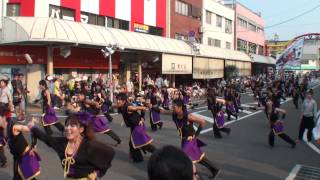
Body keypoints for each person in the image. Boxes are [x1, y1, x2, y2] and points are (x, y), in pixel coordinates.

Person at [29, 112, 115, 179]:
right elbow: (46, 138)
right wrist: (32, 127)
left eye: (72, 125)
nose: (68, 128)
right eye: (67, 125)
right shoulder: (61, 143)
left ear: (81, 129)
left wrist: (97, 173)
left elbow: (109, 154)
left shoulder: (89, 145)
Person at [171, 99, 220, 179]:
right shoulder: (174, 114)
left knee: (184, 157)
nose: (172, 108)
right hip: (184, 140)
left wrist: (196, 135)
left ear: (180, 107)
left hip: (190, 140)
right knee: (198, 157)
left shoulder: (188, 116)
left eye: (174, 107)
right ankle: (214, 170)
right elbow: (163, 111)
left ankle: (193, 176)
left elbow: (202, 121)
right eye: (172, 107)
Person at [0, 105, 41, 180]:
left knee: (28, 177)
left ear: (3, 117)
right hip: (17, 156)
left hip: (25, 156)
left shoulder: (14, 127)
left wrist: (32, 122)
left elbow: (27, 128)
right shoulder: (2, 129)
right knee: (18, 177)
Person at [116, 93, 156, 162]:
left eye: (120, 100)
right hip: (134, 126)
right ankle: (138, 158)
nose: (118, 101)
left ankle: (158, 153)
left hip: (138, 127)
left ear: (124, 101)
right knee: (135, 143)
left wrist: (143, 108)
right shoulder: (122, 106)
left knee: (141, 144)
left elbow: (134, 108)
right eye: (117, 99)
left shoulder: (128, 106)